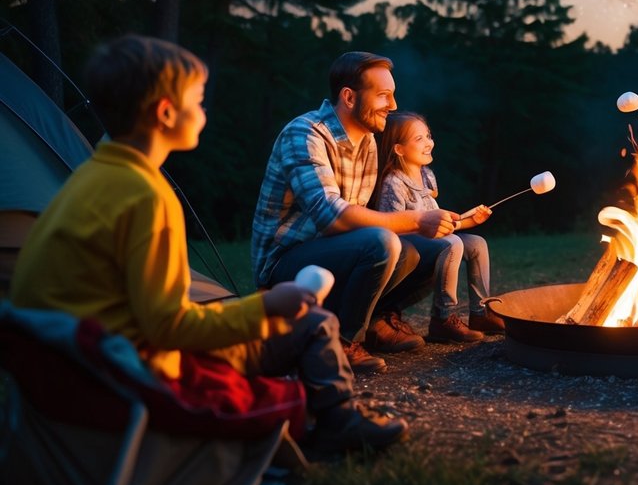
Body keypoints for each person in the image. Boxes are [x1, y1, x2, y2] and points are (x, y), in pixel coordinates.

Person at [10, 35, 405, 455]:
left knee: (291, 320)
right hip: (133, 375)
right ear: (165, 113)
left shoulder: (87, 179)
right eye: (198, 102)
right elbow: (170, 328)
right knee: (313, 325)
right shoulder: (144, 195)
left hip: (76, 372)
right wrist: (266, 307)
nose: (204, 112)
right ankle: (336, 425)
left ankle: (330, 414)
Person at [251, 52, 456, 374]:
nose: (392, 104)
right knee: (383, 242)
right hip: (286, 263)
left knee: (437, 251)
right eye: (383, 95)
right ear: (349, 97)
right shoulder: (305, 134)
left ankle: (376, 321)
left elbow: (363, 215)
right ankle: (342, 342)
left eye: (393, 94)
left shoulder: (369, 143)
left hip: (337, 255)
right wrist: (416, 220)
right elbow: (332, 217)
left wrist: (431, 224)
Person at [371, 112, 505, 342]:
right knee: (452, 244)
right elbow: (390, 228)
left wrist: (470, 221)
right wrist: (425, 229)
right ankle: (443, 318)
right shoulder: (394, 182)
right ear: (399, 149)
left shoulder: (427, 176)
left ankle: (480, 312)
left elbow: (443, 224)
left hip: (435, 240)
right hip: (409, 246)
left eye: (428, 136)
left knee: (477, 244)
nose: (428, 143)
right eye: (419, 139)